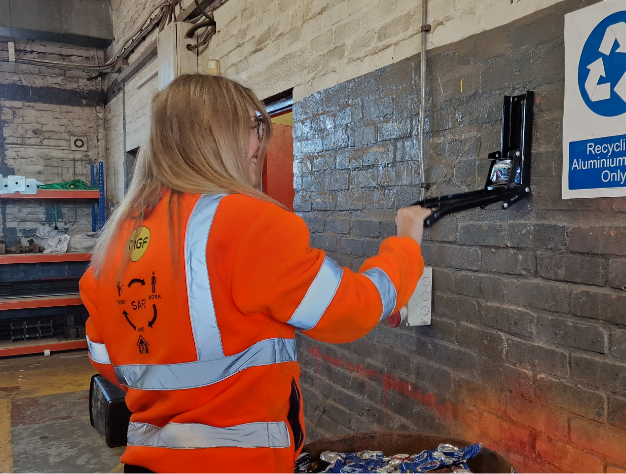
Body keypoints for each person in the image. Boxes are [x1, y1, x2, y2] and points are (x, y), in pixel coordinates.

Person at [80, 74, 431, 474]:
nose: (258, 145)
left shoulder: (116, 241)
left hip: (147, 463)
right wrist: (405, 246)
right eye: (254, 127)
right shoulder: (246, 221)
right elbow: (351, 308)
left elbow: (109, 361)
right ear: (218, 134)